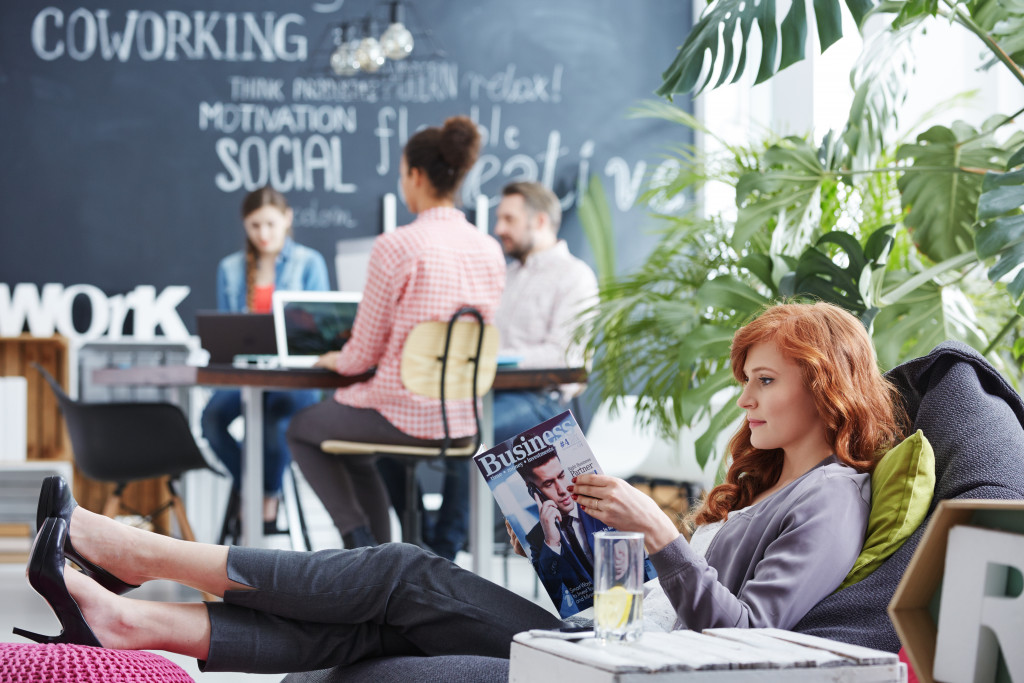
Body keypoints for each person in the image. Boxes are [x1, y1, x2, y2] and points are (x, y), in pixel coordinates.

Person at [17, 301, 904, 674]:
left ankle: (136, 554)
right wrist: (570, 541)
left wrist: (658, 531)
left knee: (403, 572)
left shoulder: (829, 495)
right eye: (745, 378)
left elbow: (751, 640)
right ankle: (131, 620)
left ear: (826, 388)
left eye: (765, 382)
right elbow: (671, 603)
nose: (744, 400)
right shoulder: (770, 484)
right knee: (376, 612)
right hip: (604, 635)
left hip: (623, 666)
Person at [285, 115, 506, 549]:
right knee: (355, 447)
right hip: (461, 420)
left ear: (417, 175)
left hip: (403, 415)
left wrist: (334, 360)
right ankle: (377, 554)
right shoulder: (489, 249)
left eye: (402, 173)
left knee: (303, 429)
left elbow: (362, 354)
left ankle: (360, 539)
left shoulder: (397, 245)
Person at [380, 181, 599, 560]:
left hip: (538, 401)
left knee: (471, 430)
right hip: (483, 393)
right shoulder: (507, 274)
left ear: (541, 220)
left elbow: (566, 356)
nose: (499, 228)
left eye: (509, 219)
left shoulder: (575, 277)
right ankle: (419, 542)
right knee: (394, 427)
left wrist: (500, 356)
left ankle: (442, 553)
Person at [201, 186, 328, 537]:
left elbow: (320, 330)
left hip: (295, 377)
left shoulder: (309, 263)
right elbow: (229, 332)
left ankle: (266, 498)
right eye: (255, 226)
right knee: (211, 419)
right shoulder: (230, 269)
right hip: (248, 374)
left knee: (274, 424)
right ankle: (253, 485)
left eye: (271, 224)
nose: (264, 234)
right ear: (245, 225)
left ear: (287, 220)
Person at [518, 446, 603, 609]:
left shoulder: (600, 504)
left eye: (562, 476)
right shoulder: (537, 538)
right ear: (532, 490)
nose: (562, 490)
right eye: (549, 483)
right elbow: (555, 595)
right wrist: (551, 542)